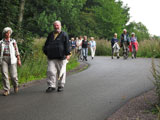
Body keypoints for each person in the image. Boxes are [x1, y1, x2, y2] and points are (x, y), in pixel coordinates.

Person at [43, 20, 71, 92]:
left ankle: (60, 85)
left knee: (61, 72)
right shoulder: (50, 34)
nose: (56, 27)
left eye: (57, 25)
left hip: (61, 57)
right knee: (50, 71)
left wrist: (68, 54)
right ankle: (51, 86)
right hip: (51, 57)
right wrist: (46, 52)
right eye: (55, 25)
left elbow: (67, 44)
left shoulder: (64, 34)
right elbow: (46, 44)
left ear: (60, 26)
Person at [0, 27, 21, 96]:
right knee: (4, 74)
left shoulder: (13, 41)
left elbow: (16, 50)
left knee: (13, 75)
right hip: (4, 59)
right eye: (6, 33)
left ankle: (15, 85)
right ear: (4, 34)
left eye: (9, 33)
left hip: (12, 58)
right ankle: (6, 90)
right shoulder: (1, 42)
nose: (8, 34)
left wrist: (18, 59)